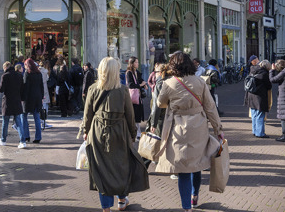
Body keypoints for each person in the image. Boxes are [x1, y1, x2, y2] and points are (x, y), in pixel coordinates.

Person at [154, 51, 223, 211]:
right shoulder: (200, 82)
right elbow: (210, 107)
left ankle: (186, 207)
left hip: (177, 128)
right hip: (198, 127)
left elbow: (160, 103)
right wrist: (218, 129)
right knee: (196, 164)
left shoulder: (169, 83)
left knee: (183, 169)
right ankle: (194, 196)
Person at [79, 56, 150, 212]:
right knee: (121, 166)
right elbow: (130, 115)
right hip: (119, 132)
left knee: (101, 169)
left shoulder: (93, 89)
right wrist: (133, 135)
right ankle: (122, 200)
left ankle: (106, 207)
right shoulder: (122, 90)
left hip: (98, 132)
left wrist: (85, 131)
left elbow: (87, 114)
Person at [0, 61, 28, 148]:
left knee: (5, 122)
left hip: (7, 101)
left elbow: (1, 89)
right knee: (18, 122)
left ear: (5, 67)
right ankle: (22, 141)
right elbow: (22, 89)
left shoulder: (5, 76)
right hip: (17, 101)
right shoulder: (19, 76)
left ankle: (3, 140)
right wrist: (22, 99)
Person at [244, 56, 272, 138]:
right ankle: (260, 133)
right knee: (260, 114)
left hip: (251, 95)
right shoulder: (264, 74)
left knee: (254, 114)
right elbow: (269, 86)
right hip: (260, 96)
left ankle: (255, 130)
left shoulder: (252, 70)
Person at [22, 59, 45, 143]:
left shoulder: (27, 74)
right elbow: (41, 86)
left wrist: (22, 98)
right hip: (37, 97)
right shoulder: (39, 74)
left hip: (28, 98)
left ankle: (26, 136)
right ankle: (38, 137)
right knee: (37, 117)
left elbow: (26, 87)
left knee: (24, 116)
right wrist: (41, 97)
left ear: (28, 65)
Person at [124, 57, 145, 138]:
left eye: (138, 62)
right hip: (133, 97)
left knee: (137, 114)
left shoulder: (136, 72)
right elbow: (130, 85)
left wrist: (144, 84)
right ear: (132, 63)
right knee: (134, 114)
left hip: (137, 97)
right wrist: (140, 85)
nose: (137, 64)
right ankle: (135, 132)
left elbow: (140, 80)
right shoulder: (129, 73)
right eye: (136, 62)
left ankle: (137, 132)